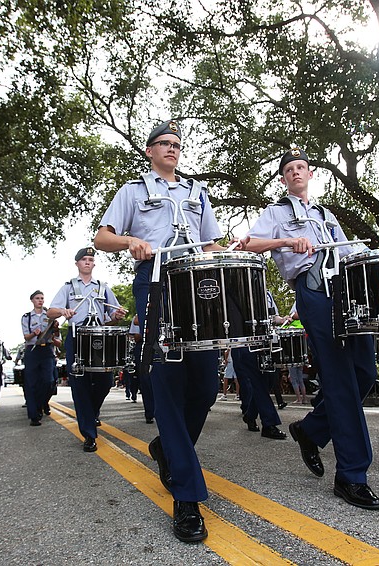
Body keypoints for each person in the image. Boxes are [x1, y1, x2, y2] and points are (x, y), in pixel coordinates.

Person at [94, 119, 225, 542]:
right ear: (150, 151)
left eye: (177, 144)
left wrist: (226, 249)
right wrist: (130, 241)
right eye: (165, 144)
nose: (172, 149)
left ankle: (166, 449)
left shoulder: (196, 192)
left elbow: (209, 244)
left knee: (205, 388)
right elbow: (101, 237)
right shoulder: (132, 192)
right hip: (156, 282)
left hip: (199, 285)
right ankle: (187, 498)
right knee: (168, 385)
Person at [240, 147, 379, 510]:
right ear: (283, 178)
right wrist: (288, 241)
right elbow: (252, 244)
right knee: (339, 377)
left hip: (346, 287)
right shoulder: (275, 212)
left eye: (301, 166)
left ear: (310, 173)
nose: (296, 172)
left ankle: (311, 429)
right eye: (289, 169)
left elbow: (348, 249)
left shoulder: (325, 214)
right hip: (313, 287)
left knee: (365, 370)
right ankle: (352, 475)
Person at [47, 247, 126, 450]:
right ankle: (89, 434)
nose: (88, 262)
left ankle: (91, 413)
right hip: (76, 335)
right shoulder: (68, 287)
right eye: (84, 259)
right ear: (77, 264)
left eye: (91, 259)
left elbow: (113, 315)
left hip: (99, 336)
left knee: (106, 380)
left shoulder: (103, 287)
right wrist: (63, 311)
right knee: (80, 385)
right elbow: (51, 312)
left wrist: (117, 316)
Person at [234, 292, 289, 440]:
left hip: (265, 342)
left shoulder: (268, 295)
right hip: (245, 342)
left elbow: (274, 318)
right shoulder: (240, 292)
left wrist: (283, 319)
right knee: (257, 381)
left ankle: (250, 415)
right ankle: (269, 424)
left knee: (268, 381)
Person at [21, 291, 61, 426]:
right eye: (37, 298)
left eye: (42, 298)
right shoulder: (26, 317)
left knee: (49, 381)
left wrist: (54, 332)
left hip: (47, 350)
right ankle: (34, 415)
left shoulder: (50, 317)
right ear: (32, 300)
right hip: (32, 351)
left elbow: (58, 340)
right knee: (31, 383)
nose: (40, 301)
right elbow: (26, 337)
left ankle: (42, 403)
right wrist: (34, 333)